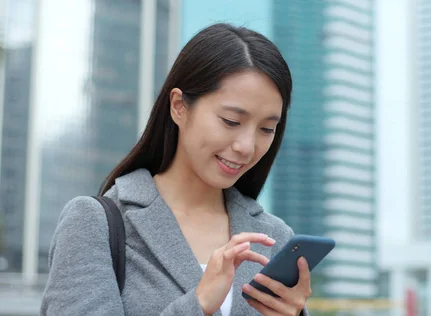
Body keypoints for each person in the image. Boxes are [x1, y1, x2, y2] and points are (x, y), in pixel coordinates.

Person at [41, 23, 311, 316]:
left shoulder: (274, 237)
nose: (247, 146)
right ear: (179, 106)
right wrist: (198, 305)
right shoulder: (94, 224)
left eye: (266, 128)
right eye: (231, 121)